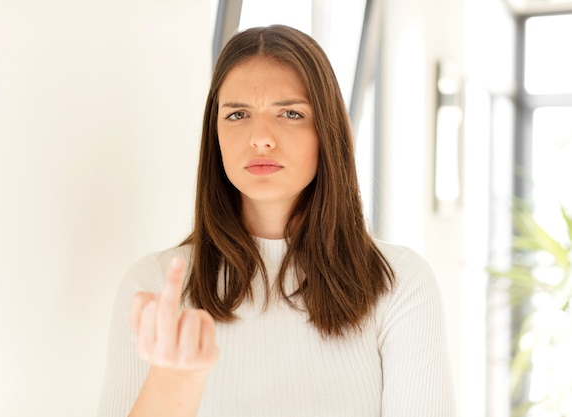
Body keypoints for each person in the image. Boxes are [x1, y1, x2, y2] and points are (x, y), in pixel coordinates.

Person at [97, 24, 456, 417]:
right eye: (237, 114)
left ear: (327, 131)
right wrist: (173, 384)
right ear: (214, 134)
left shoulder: (399, 284)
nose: (261, 138)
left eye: (290, 113)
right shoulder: (154, 286)